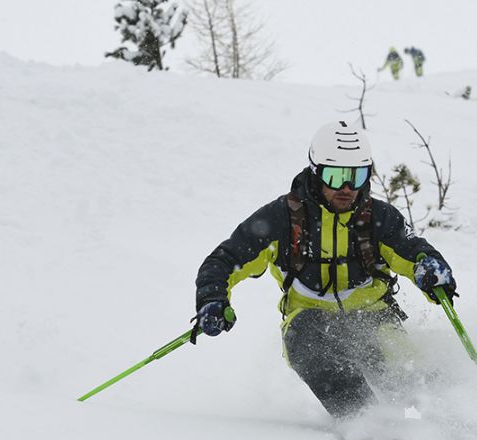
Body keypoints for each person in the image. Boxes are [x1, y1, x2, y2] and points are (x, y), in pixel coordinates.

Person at [194, 121, 457, 419]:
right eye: (336, 176)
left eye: (356, 177)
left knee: (407, 369)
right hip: (310, 321)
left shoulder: (379, 218)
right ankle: (367, 425)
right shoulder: (281, 219)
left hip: (374, 320)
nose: (346, 188)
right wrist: (212, 299)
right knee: (310, 344)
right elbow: (223, 261)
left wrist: (431, 269)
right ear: (316, 173)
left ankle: (455, 423)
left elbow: (413, 251)